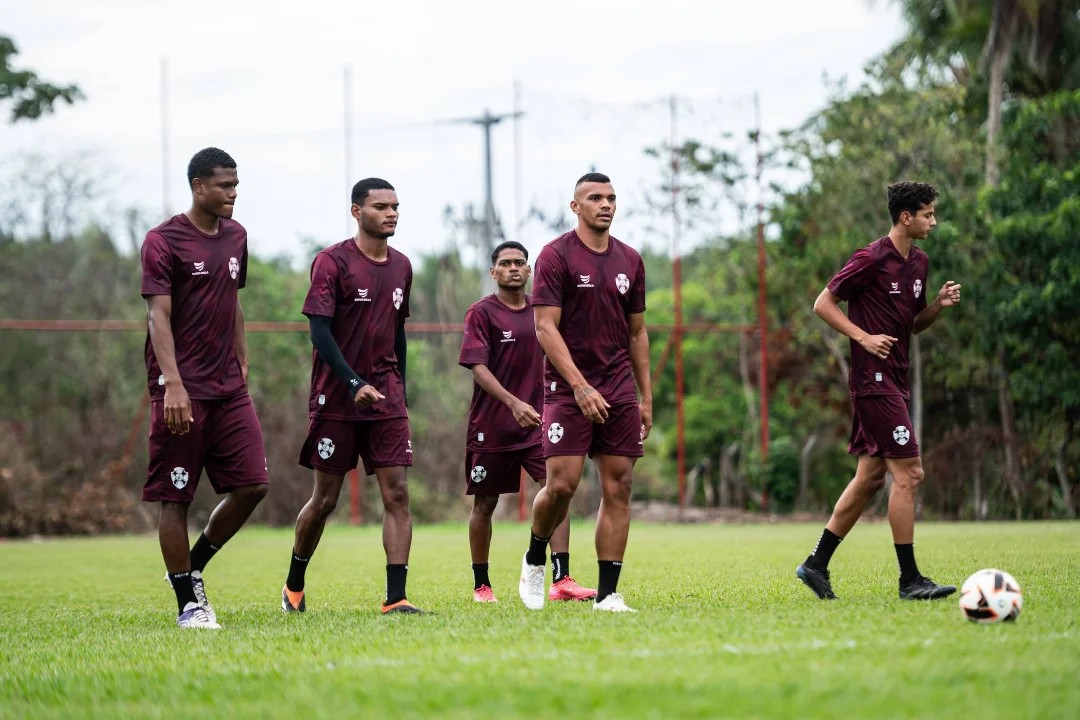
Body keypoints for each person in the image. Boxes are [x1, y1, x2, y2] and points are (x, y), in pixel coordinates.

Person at [795, 181, 962, 601]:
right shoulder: (869, 258)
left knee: (870, 478)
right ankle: (910, 580)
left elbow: (911, 324)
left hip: (897, 380)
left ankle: (815, 565)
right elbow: (822, 304)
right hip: (873, 381)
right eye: (928, 214)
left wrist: (936, 306)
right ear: (906, 216)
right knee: (910, 474)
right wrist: (864, 337)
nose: (933, 221)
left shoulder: (919, 262)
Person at [140, 147, 269, 629]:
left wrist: (243, 358)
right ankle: (188, 605)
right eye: (224, 185)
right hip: (181, 389)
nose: (233, 193)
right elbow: (158, 314)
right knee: (176, 498)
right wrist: (172, 382)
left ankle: (192, 568)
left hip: (229, 388)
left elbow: (232, 302)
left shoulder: (237, 237)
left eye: (236, 185)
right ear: (199, 186)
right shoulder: (163, 240)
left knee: (254, 485)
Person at [282, 177, 423, 615]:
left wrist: (397, 385)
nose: (392, 213)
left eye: (395, 206)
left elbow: (397, 330)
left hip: (386, 400)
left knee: (397, 494)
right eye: (381, 206)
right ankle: (293, 588)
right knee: (325, 499)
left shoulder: (402, 266)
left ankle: (395, 598)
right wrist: (352, 382)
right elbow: (319, 331)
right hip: (338, 398)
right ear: (357, 212)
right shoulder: (332, 262)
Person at [518, 172, 652, 613]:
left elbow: (637, 333)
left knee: (619, 486)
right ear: (576, 206)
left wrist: (644, 396)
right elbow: (543, 327)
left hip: (617, 389)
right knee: (562, 486)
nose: (606, 204)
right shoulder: (555, 256)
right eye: (595, 198)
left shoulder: (630, 260)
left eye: (612, 197)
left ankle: (609, 593)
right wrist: (578, 386)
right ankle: (536, 557)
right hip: (566, 388)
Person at [459, 241, 597, 603]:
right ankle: (482, 585)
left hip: (540, 423)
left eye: (520, 262)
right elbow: (477, 367)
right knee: (484, 505)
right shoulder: (481, 313)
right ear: (494, 272)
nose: (514, 268)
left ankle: (561, 578)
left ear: (529, 269)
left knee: (558, 493)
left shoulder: (544, 312)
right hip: (492, 425)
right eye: (506, 263)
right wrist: (512, 402)